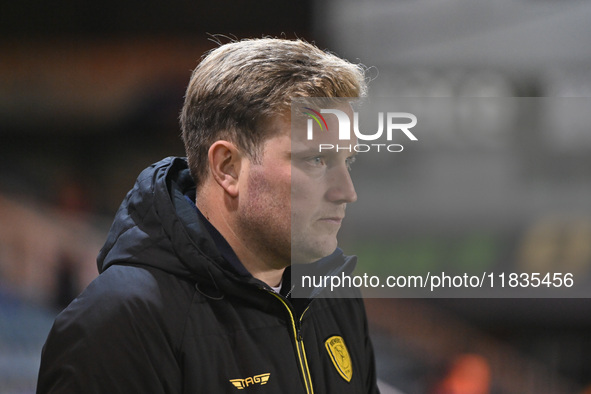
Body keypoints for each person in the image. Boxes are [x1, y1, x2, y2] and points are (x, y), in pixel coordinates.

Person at [37, 38, 379, 393]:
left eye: (346, 161)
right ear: (227, 167)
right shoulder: (120, 321)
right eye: (316, 160)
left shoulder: (334, 296)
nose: (347, 191)